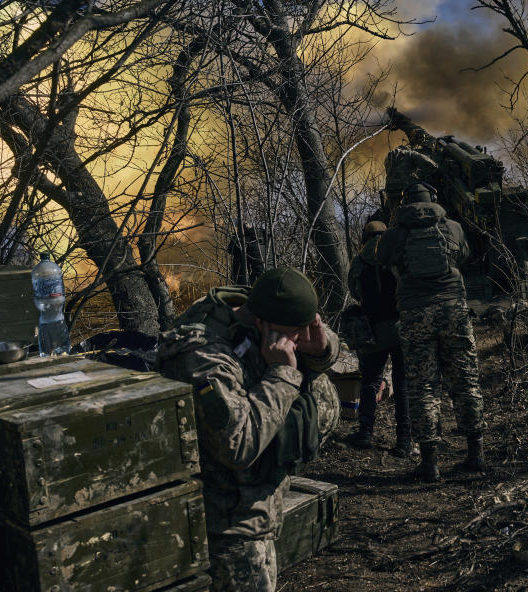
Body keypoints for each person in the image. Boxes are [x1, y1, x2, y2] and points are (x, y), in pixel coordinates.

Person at [155, 267, 340, 592]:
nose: (298, 341)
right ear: (261, 324)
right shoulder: (204, 356)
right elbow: (237, 445)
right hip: (229, 523)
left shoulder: (265, 311)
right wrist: (283, 373)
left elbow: (324, 339)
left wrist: (321, 352)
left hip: (259, 502)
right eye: (293, 336)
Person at [376, 182, 487, 482]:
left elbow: (381, 260)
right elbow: (464, 255)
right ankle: (475, 454)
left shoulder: (394, 233)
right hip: (453, 308)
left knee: (423, 386)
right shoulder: (452, 227)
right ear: (434, 199)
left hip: (414, 313)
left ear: (404, 203)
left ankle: (430, 462)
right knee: (466, 379)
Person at [345, 220, 414, 457]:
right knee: (402, 384)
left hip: (372, 328)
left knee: (371, 380)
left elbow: (354, 291)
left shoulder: (358, 261)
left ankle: (365, 433)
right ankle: (404, 441)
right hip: (399, 325)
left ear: (365, 236)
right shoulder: (395, 254)